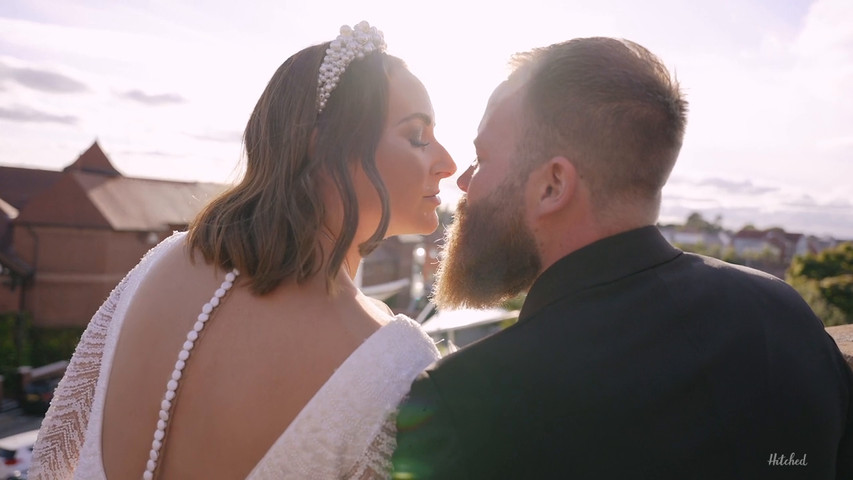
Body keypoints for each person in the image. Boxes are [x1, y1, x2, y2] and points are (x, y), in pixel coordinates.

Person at [392, 37, 853, 479]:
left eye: (482, 158)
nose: (465, 183)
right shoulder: (787, 315)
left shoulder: (465, 404)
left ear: (553, 185)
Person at [30, 21, 456, 479]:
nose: (447, 163)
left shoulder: (161, 265)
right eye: (417, 137)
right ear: (323, 147)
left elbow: (56, 454)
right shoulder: (395, 364)